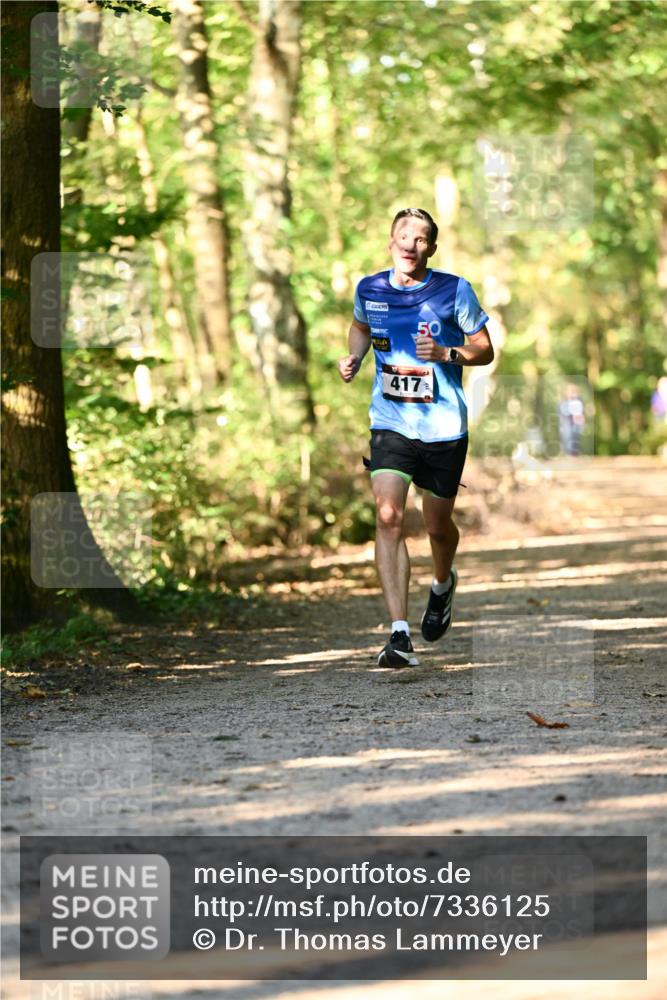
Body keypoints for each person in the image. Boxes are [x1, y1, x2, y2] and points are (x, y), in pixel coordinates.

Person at [338, 207, 494, 667]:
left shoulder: (453, 289)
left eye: (421, 238)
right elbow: (361, 328)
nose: (411, 244)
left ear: (431, 247)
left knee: (436, 527)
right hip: (391, 421)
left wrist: (449, 351)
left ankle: (443, 583)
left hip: (444, 426)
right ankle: (398, 634)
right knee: (387, 516)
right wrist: (354, 357)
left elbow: (485, 349)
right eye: (404, 235)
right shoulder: (371, 288)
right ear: (390, 241)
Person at [558, 383, 586, 456]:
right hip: (566, 424)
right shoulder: (563, 402)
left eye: (574, 392)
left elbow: (580, 413)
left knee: (575, 439)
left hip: (575, 424)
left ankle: (574, 454)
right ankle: (569, 454)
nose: (573, 394)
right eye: (571, 392)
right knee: (567, 438)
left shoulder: (578, 402)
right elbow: (561, 413)